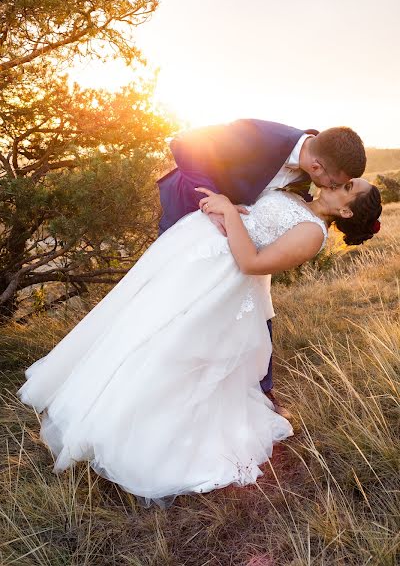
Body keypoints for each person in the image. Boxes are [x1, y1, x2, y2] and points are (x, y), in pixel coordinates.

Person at [16, 175, 382, 507]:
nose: (340, 183)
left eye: (349, 188)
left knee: (174, 354)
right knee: (143, 333)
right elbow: (254, 213)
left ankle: (146, 441)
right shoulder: (296, 194)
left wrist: (227, 210)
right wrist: (226, 211)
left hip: (221, 284)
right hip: (196, 264)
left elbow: (253, 263)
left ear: (347, 212)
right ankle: (101, 415)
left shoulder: (314, 233)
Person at [157, 119, 367, 414]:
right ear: (318, 168)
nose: (331, 187)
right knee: (175, 311)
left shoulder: (310, 172)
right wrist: (213, 202)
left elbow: (292, 216)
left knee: (251, 307)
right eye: (335, 182)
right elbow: (184, 143)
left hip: (238, 246)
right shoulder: (261, 137)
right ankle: (166, 385)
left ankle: (255, 389)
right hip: (191, 216)